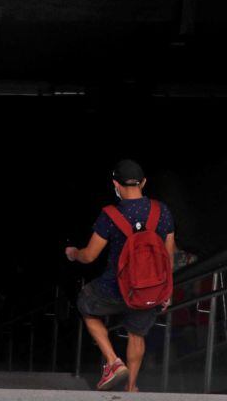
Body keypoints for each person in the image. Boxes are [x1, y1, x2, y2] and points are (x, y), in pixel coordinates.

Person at [65, 159, 176, 392]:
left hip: (114, 287)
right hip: (150, 288)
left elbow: (90, 256)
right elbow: (168, 256)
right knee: (137, 334)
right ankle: (131, 388)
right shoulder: (161, 211)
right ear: (143, 182)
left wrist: (74, 253)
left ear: (115, 184)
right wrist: (167, 290)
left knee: (85, 303)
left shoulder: (110, 215)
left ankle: (113, 361)